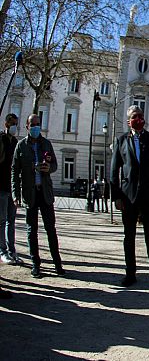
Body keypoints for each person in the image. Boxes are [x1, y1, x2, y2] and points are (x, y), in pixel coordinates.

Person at [110, 105, 149, 287]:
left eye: (141, 116)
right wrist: (116, 197)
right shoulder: (121, 141)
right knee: (129, 237)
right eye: (135, 116)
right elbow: (114, 171)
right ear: (129, 120)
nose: (139, 119)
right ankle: (130, 273)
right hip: (128, 197)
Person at [12, 114, 63, 278]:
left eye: (38, 124)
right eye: (32, 124)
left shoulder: (46, 143)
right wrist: (15, 193)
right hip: (30, 193)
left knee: (50, 229)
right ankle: (36, 264)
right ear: (27, 126)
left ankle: (57, 264)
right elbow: (14, 171)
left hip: (45, 193)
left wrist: (49, 167)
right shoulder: (21, 146)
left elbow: (54, 164)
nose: (36, 127)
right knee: (31, 230)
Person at [0, 113, 21, 265]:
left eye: (16, 123)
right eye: (12, 123)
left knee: (11, 221)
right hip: (1, 186)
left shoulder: (15, 142)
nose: (14, 126)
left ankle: (11, 250)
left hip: (12, 187)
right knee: (2, 221)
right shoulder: (1, 139)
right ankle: (2, 251)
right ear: (6, 124)